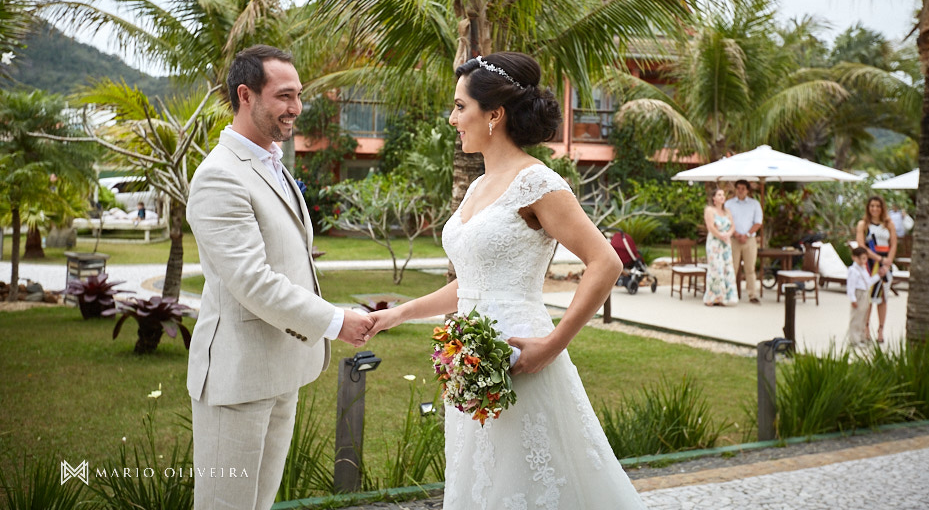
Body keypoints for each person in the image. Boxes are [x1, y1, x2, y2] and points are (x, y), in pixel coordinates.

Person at [367, 52, 646, 509]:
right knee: (483, 480)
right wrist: (400, 312)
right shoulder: (479, 185)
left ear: (493, 114)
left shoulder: (538, 182)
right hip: (470, 362)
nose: (451, 117)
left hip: (522, 356)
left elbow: (606, 262)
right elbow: (473, 283)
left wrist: (552, 344)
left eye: (460, 106)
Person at [186, 45, 373, 510]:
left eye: (299, 95)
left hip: (281, 368)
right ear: (245, 95)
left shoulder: (274, 162)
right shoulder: (219, 176)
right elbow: (253, 281)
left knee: (260, 504)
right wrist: (334, 320)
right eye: (284, 96)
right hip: (237, 376)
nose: (296, 108)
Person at [855, 195, 898, 343]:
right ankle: (866, 328)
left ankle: (880, 330)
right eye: (872, 205)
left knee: (883, 298)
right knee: (868, 297)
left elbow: (893, 244)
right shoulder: (863, 225)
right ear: (868, 207)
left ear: (882, 208)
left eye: (878, 206)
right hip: (870, 264)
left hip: (886, 264)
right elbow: (861, 246)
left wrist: (887, 263)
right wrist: (879, 259)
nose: (875, 209)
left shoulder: (889, 224)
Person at [725, 179, 763, 304]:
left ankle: (752, 295)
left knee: (750, 268)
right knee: (732, 267)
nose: (740, 191)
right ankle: (729, 293)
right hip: (734, 239)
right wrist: (736, 234)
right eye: (738, 188)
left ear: (747, 190)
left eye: (743, 189)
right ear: (735, 189)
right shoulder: (729, 204)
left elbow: (758, 222)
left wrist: (746, 235)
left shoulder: (754, 204)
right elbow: (726, 221)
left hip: (749, 240)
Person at [703, 187, 739, 306]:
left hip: (726, 243)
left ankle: (724, 297)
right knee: (716, 268)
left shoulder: (727, 211)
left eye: (723, 195)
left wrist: (728, 234)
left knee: (727, 268)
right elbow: (710, 226)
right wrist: (720, 235)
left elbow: (733, 226)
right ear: (714, 198)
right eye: (719, 195)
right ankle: (712, 297)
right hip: (715, 243)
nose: (722, 197)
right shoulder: (709, 210)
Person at [846, 246, 884, 346]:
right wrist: (853, 299)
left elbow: (868, 282)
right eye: (862, 258)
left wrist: (878, 276)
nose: (864, 261)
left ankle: (862, 337)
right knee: (856, 317)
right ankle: (854, 339)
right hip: (858, 294)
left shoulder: (863, 269)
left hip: (865, 294)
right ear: (854, 258)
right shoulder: (853, 270)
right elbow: (851, 286)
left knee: (864, 317)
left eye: (865, 258)